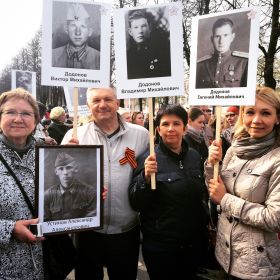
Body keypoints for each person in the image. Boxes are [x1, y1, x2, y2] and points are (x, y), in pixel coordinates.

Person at [61, 87, 149, 280]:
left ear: (118, 103)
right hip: (87, 231)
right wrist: (64, 156)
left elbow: (145, 175)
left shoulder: (141, 135)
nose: (102, 105)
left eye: (108, 99)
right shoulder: (74, 136)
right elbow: (61, 181)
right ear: (88, 106)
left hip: (126, 229)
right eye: (96, 100)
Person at [205, 87, 280, 279]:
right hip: (225, 257)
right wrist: (211, 164)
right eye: (250, 112)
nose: (256, 120)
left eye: (265, 113)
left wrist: (226, 199)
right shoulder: (234, 149)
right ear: (242, 115)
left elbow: (274, 219)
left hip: (257, 267)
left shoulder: (277, 159)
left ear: (277, 118)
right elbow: (214, 190)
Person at [129, 105, 209, 280]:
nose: (171, 129)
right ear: (158, 129)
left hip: (192, 243)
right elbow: (136, 202)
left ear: (184, 127)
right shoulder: (147, 158)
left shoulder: (194, 156)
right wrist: (145, 177)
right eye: (165, 124)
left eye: (176, 123)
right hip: (161, 246)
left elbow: (201, 195)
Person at [0, 88, 44, 279]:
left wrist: (88, 193)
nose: (18, 119)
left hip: (43, 265)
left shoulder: (49, 153)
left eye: (26, 113)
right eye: (10, 112)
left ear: (35, 121)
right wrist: (9, 229)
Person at [196, 17, 248, 88]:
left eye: (225, 35)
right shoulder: (200, 66)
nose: (221, 41)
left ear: (232, 37)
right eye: (217, 36)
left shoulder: (243, 63)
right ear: (212, 39)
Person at [44, 152, 96, 221]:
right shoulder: (47, 195)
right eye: (61, 169)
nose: (65, 173)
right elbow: (46, 223)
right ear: (56, 172)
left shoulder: (89, 192)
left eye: (68, 168)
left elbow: (91, 221)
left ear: (75, 169)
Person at [52, 3, 100, 70]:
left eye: (83, 26)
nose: (78, 32)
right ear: (66, 29)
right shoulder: (52, 56)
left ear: (89, 32)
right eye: (73, 25)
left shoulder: (99, 58)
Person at [126, 9, 171, 79]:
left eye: (143, 26)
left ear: (149, 28)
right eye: (136, 27)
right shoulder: (127, 57)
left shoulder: (164, 50)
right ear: (130, 32)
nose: (140, 31)